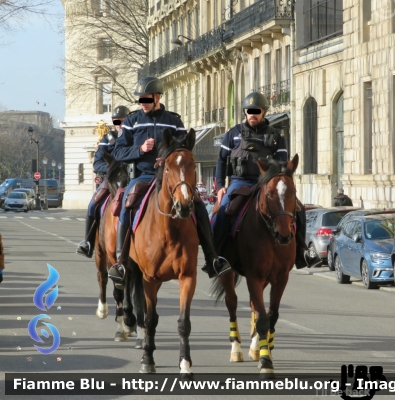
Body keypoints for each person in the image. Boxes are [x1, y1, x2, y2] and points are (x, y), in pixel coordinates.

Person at [108, 76, 231, 282]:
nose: (143, 104)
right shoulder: (132, 121)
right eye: (140, 100)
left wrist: (168, 158)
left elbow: (184, 147)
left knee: (198, 205)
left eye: (146, 99)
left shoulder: (174, 121)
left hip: (171, 177)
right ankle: (121, 262)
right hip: (143, 176)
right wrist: (140, 149)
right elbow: (118, 152)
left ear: (157, 97)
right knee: (125, 205)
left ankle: (212, 257)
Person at [209, 92, 322, 273]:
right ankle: (217, 258)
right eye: (249, 111)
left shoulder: (277, 136)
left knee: (298, 209)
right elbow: (221, 161)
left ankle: (303, 252)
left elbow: (283, 165)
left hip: (267, 184)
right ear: (245, 113)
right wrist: (221, 186)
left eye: (257, 111)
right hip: (240, 182)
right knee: (222, 212)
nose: (252, 114)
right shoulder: (232, 134)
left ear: (264, 112)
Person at [76, 105, 130, 258]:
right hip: (112, 178)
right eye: (117, 122)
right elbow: (97, 163)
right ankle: (88, 242)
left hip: (132, 176)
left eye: (123, 121)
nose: (119, 125)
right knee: (94, 203)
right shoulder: (108, 139)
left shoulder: (133, 138)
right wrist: (113, 168)